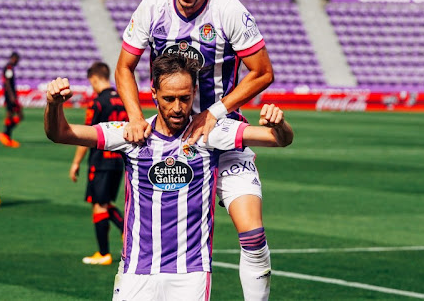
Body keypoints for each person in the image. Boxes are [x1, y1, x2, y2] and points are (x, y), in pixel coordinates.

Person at [45, 54, 292, 301]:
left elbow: (279, 139)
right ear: (153, 92)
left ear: (195, 91)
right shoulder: (132, 134)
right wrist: (53, 105)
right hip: (136, 273)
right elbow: (61, 133)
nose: (177, 107)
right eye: (168, 98)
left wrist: (279, 124)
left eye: (185, 98)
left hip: (190, 275)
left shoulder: (209, 133)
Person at [115, 0, 276, 299]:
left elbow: (263, 72)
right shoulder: (153, 7)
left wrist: (213, 113)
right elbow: (124, 67)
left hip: (222, 132)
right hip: (171, 139)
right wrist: (135, 117)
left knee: (252, 234)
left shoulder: (228, 10)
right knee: (161, 235)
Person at [70, 62, 127, 266]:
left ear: (94, 79)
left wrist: (76, 162)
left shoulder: (98, 103)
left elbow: (86, 135)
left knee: (99, 206)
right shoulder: (122, 100)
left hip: (101, 161)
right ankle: (125, 232)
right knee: (106, 203)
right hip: (118, 161)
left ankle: (103, 252)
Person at [0, 52, 23, 148]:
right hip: (10, 96)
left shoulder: (9, 68)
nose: (17, 62)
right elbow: (7, 82)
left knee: (14, 115)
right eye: (17, 60)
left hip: (10, 95)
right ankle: (6, 135)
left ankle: (6, 134)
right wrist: (12, 96)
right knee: (14, 115)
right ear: (13, 58)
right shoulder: (9, 68)